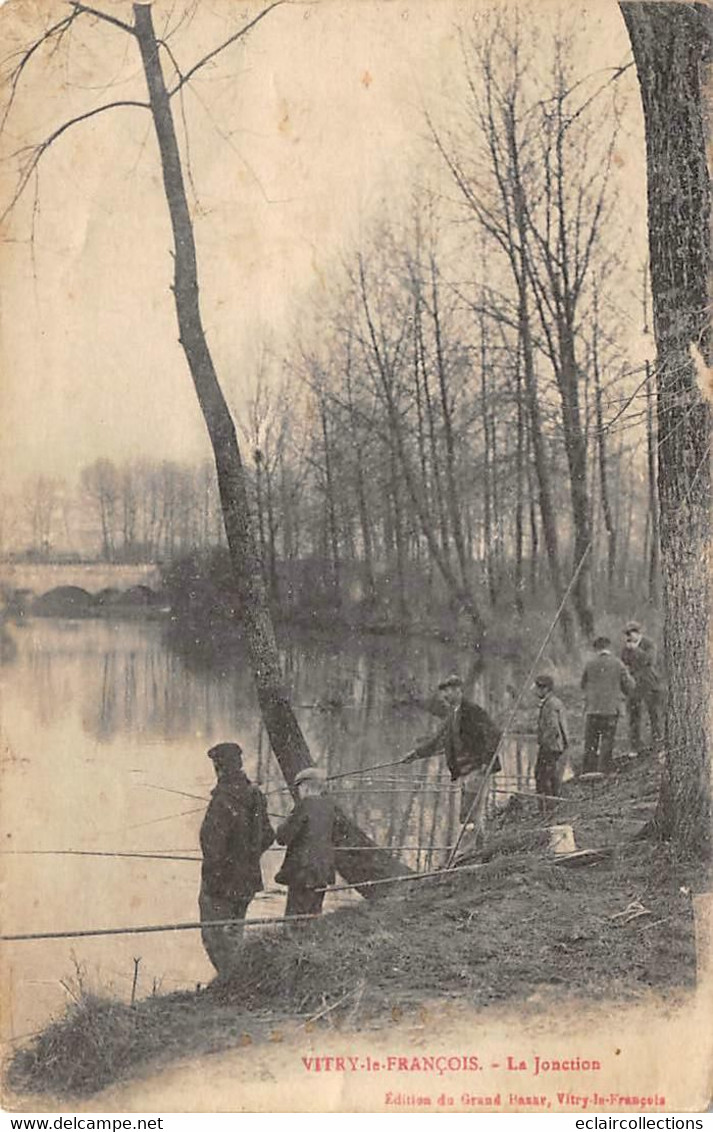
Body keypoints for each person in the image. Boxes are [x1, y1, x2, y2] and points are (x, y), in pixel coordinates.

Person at [199, 742, 275, 977]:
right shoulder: (256, 795)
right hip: (247, 880)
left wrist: (213, 879)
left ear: (219, 767)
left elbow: (212, 847)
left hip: (221, 884)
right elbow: (269, 836)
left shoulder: (221, 801)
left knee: (215, 936)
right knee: (234, 932)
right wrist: (248, 857)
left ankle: (229, 981)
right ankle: (236, 978)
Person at [402, 674, 501, 842]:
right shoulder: (452, 715)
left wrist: (486, 761)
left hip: (477, 769)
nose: (445, 696)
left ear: (459, 691)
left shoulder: (472, 711)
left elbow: (494, 733)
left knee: (472, 813)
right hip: (464, 771)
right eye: (444, 693)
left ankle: (478, 849)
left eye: (448, 692)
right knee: (470, 814)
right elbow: (436, 742)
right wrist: (415, 754)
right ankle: (478, 848)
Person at [275, 767, 338, 918]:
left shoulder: (304, 805)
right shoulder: (329, 807)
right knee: (314, 914)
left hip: (303, 872)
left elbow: (283, 838)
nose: (298, 792)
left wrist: (283, 823)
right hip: (322, 871)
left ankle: (293, 940)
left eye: (299, 788)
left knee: (295, 917)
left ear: (306, 787)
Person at [581, 637, 635, 774]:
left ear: (596, 649)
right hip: (611, 710)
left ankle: (588, 772)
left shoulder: (589, 664)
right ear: (608, 648)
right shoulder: (618, 663)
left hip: (592, 709)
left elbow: (582, 684)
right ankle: (603, 772)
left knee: (590, 743)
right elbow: (629, 686)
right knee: (607, 741)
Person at [620, 620, 664, 756]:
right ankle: (635, 746)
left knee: (654, 715)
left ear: (638, 633)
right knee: (634, 716)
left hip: (650, 684)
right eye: (626, 633)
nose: (628, 636)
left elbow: (649, 661)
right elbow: (624, 662)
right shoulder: (626, 648)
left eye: (630, 633)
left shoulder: (649, 644)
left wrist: (636, 650)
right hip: (634, 685)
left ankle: (658, 744)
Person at [533, 674, 568, 814]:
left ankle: (548, 810)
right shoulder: (553, 702)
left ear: (545, 689)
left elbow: (553, 727)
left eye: (538, 688)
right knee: (549, 777)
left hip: (551, 746)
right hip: (555, 746)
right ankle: (549, 808)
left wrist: (544, 743)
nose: (536, 691)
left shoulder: (550, 704)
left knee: (543, 778)